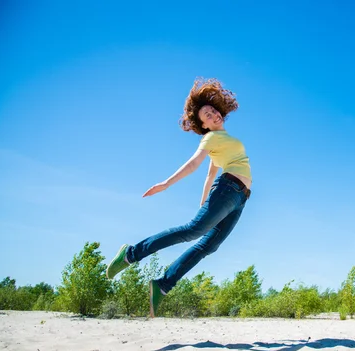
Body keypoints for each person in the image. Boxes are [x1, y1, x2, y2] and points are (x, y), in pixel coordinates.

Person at [105, 78, 252, 318]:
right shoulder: (210, 138)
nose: (213, 114)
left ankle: (162, 285)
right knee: (192, 231)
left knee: (209, 245)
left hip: (240, 198)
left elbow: (210, 174)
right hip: (229, 189)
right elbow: (195, 163)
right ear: (203, 125)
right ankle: (131, 253)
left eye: (213, 110)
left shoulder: (222, 141)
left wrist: (203, 203)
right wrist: (167, 183)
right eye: (207, 114)